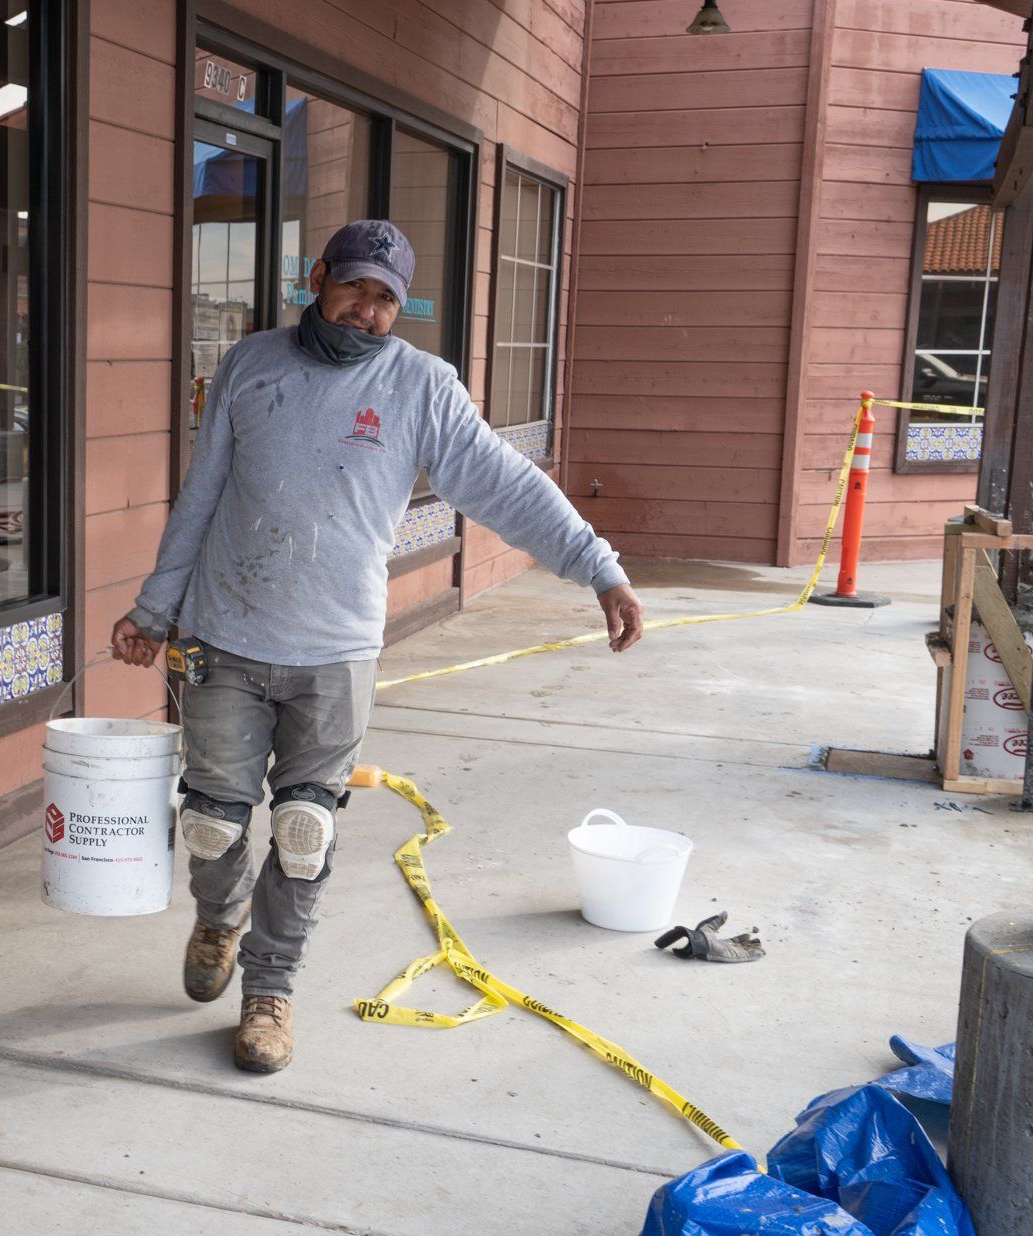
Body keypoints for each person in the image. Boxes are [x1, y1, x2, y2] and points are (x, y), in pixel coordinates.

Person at [112, 219, 642, 1074]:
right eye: (355, 287)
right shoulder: (251, 364)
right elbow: (200, 492)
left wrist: (598, 567)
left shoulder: (423, 387)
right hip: (223, 635)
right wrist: (152, 608)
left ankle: (269, 991)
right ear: (317, 278)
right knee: (211, 828)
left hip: (335, 651)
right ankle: (219, 915)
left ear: (403, 307)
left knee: (304, 829)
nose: (366, 310)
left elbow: (505, 484)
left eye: (386, 298)